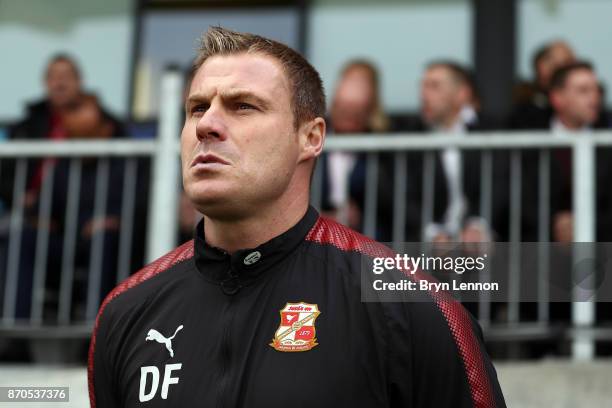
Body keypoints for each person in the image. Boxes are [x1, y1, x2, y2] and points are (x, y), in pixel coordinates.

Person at [89, 27, 505, 407]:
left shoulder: (411, 304)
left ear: (310, 138)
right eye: (197, 108)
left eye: (243, 106)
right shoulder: (125, 312)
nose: (208, 125)